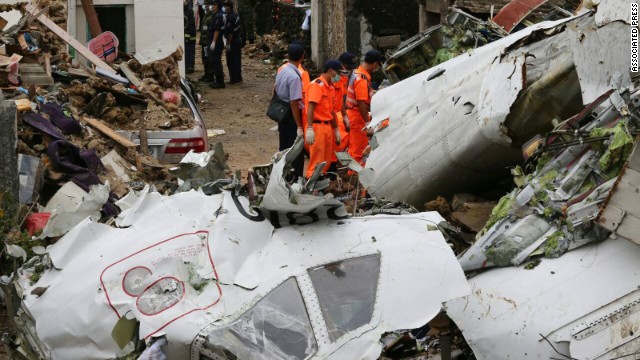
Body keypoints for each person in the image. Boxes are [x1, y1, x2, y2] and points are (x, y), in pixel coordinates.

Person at [305, 60, 342, 179]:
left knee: (325, 162)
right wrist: (309, 128)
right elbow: (311, 107)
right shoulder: (317, 85)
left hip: (327, 127)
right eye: (338, 72)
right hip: (317, 127)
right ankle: (311, 186)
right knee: (317, 161)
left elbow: (331, 111)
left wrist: (336, 128)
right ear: (331, 71)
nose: (339, 76)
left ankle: (319, 187)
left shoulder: (330, 87)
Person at [274, 44, 305, 179]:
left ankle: (282, 174)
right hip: (291, 114)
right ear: (302, 57)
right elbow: (294, 102)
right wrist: (299, 125)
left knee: (284, 145)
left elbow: (275, 90)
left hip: (282, 111)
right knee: (295, 149)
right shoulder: (295, 77)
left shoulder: (282, 70)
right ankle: (294, 176)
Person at [346, 50, 382, 165]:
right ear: (375, 64)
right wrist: (367, 124)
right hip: (358, 117)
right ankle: (357, 178)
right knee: (360, 149)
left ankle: (353, 177)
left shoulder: (357, 73)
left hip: (354, 115)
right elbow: (361, 103)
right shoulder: (361, 79)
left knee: (355, 147)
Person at [330, 52, 356, 169]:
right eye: (347, 67)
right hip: (330, 114)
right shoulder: (332, 78)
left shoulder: (344, 78)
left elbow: (341, 99)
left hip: (339, 112)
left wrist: (345, 116)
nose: (348, 70)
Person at [223, 0, 243, 84]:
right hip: (237, 40)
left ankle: (234, 79)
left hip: (233, 41)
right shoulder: (235, 14)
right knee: (237, 60)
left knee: (231, 60)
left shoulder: (231, 16)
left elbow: (230, 32)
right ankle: (238, 77)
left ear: (230, 7)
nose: (225, 8)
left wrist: (228, 43)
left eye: (227, 6)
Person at [208, 0, 226, 89]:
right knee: (214, 61)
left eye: (214, 5)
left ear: (218, 6)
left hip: (217, 42)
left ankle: (220, 82)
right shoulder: (215, 14)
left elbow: (217, 30)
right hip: (215, 41)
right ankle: (218, 80)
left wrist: (214, 42)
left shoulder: (219, 16)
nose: (212, 6)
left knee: (216, 61)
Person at [198, 0, 214, 82]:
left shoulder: (212, 16)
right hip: (204, 41)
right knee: (204, 58)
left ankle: (210, 75)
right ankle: (206, 73)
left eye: (207, 4)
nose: (206, 6)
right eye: (205, 4)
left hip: (209, 41)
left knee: (209, 58)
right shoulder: (205, 15)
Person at [183, 0, 197, 74]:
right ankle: (187, 66)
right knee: (186, 51)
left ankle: (190, 66)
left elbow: (190, 24)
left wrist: (187, 36)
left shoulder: (189, 11)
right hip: (186, 35)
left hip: (190, 36)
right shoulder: (182, 10)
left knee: (189, 51)